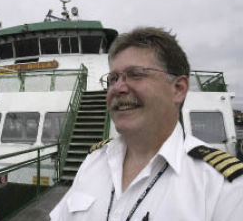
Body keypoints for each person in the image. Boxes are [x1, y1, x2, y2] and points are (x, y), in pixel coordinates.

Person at [50, 27, 243, 221]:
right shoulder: (94, 161)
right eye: (113, 78)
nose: (117, 88)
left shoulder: (225, 188)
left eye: (135, 74)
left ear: (178, 89)